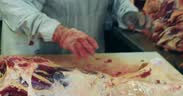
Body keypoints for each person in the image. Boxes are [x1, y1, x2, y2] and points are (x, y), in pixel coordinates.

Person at [0, 0, 150, 57]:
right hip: (34, 61)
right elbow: (13, 5)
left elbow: (116, 2)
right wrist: (59, 33)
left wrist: (127, 13)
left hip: (85, 57)